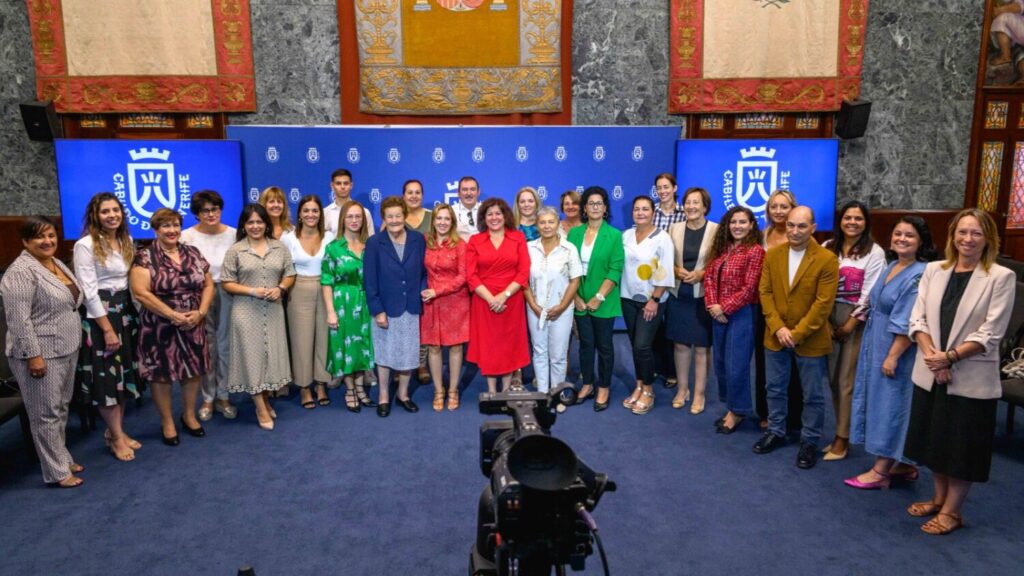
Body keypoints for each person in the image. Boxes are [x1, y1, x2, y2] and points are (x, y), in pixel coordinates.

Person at [902, 209, 1015, 535]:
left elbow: (991, 334)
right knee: (935, 441)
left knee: (962, 447)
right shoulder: (934, 270)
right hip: (930, 371)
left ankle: (952, 512)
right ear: (952, 236)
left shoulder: (1000, 277)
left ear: (988, 239)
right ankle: (938, 499)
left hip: (969, 376)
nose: (967, 239)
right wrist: (933, 358)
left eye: (976, 233)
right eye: (962, 232)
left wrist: (949, 358)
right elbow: (917, 319)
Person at [844, 216, 935, 490]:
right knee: (881, 401)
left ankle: (881, 469)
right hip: (876, 340)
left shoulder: (920, 273)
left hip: (898, 349)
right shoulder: (894, 265)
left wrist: (893, 355)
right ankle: (904, 462)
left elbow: (909, 320)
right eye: (898, 234)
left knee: (891, 405)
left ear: (921, 242)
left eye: (909, 235)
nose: (902, 239)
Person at [753, 206, 838, 469]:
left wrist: (797, 333)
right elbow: (764, 292)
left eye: (802, 226)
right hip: (775, 335)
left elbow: (823, 304)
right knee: (774, 388)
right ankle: (776, 431)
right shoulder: (774, 255)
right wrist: (778, 327)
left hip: (810, 339)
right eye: (791, 225)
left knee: (812, 395)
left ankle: (809, 440)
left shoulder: (826, 259)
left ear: (813, 228)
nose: (795, 231)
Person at [2, 216, 84, 487]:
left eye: (51, 234)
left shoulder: (55, 262)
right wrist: (32, 356)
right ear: (26, 241)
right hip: (39, 354)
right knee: (44, 414)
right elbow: (18, 320)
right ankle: (57, 472)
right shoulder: (20, 272)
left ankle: (61, 457)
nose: (47, 241)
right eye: (39, 236)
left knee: (59, 408)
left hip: (66, 345)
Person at [129, 209, 214, 446]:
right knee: (161, 375)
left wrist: (201, 312)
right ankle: (167, 421)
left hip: (193, 321)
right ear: (155, 229)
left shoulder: (193, 252)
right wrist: (173, 315)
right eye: (165, 226)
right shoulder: (144, 256)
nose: (171, 230)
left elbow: (208, 285)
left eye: (175, 225)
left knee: (193, 370)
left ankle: (188, 415)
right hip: (159, 325)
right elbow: (141, 293)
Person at [72, 193, 141, 462]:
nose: (112, 215)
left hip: (125, 311)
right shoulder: (85, 245)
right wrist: (107, 329)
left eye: (116, 210)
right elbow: (88, 292)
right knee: (107, 378)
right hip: (101, 315)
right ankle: (114, 436)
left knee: (122, 375)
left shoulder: (127, 241)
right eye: (105, 212)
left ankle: (117, 432)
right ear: (95, 216)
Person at [220, 204, 296, 430]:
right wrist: (251, 290)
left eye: (259, 222)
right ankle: (260, 408)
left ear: (266, 224)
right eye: (250, 222)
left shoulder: (279, 247)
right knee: (252, 359)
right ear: (244, 225)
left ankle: (263, 398)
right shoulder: (236, 250)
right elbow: (226, 283)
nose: (255, 226)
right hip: (245, 311)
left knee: (269, 356)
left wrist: (281, 288)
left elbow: (290, 273)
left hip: (273, 310)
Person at [822, 201, 886, 461]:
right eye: (847, 217)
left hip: (854, 320)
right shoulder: (827, 247)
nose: (852, 222)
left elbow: (870, 293)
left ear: (866, 222)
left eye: (858, 218)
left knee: (845, 381)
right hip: (826, 317)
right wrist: (826, 321)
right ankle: (839, 430)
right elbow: (818, 283)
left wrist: (850, 322)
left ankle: (842, 438)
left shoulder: (875, 253)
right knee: (831, 379)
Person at [703, 206, 765, 433]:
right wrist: (712, 305)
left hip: (742, 314)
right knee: (720, 363)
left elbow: (750, 289)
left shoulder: (756, 251)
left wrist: (724, 307)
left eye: (742, 222)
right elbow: (708, 277)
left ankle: (738, 411)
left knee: (736, 364)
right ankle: (731, 405)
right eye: (733, 222)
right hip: (717, 313)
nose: (737, 226)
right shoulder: (722, 248)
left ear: (751, 225)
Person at [364, 196, 427, 417]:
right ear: (384, 218)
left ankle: (403, 394)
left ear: (404, 216)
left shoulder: (418, 239)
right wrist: (377, 309)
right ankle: (383, 395)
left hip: (410, 305)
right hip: (386, 308)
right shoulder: (374, 243)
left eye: (398, 215)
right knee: (385, 354)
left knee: (409, 354)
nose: (394, 220)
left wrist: (423, 291)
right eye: (389, 216)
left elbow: (423, 271)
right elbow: (370, 280)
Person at [181, 190, 238, 422]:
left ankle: (224, 395)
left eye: (215, 209)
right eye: (205, 210)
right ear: (197, 214)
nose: (211, 214)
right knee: (207, 347)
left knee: (225, 345)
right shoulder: (186, 237)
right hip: (199, 295)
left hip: (227, 291)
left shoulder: (234, 234)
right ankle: (208, 397)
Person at [466, 197, 532, 393]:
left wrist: (504, 295)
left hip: (511, 300)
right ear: (483, 218)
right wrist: (491, 299)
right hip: (484, 301)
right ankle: (492, 391)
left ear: (505, 216)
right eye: (489, 214)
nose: (494, 217)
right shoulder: (475, 240)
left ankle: (505, 392)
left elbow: (523, 271)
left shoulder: (518, 237)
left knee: (508, 345)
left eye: (498, 213)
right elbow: (471, 275)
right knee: (489, 345)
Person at [568, 187, 623, 411]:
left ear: (605, 208)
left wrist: (599, 297)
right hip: (579, 300)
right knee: (586, 345)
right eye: (591, 203)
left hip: (604, 301)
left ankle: (604, 387)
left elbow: (615, 269)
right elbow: (568, 268)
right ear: (585, 208)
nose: (595, 207)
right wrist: (576, 298)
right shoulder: (574, 234)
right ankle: (588, 384)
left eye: (599, 203)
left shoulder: (614, 235)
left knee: (604, 346)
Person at [619, 196, 674, 415]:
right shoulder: (626, 235)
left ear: (653, 212)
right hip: (628, 297)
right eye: (637, 209)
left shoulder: (662, 238)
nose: (640, 212)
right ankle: (639, 385)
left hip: (652, 300)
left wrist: (655, 299)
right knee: (635, 344)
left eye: (645, 209)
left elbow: (666, 270)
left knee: (643, 346)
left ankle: (649, 391)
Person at [666, 187, 718, 413]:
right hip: (679, 294)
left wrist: (702, 274)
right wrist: (676, 270)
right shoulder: (674, 228)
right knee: (680, 344)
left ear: (705, 206)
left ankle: (699, 394)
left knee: (701, 348)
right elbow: (665, 258)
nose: (691, 206)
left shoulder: (716, 230)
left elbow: (720, 262)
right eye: (688, 202)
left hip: (703, 296)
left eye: (696, 202)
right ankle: (683, 389)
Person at [281, 195, 334, 409]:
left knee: (324, 339)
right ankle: (304, 387)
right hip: (298, 288)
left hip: (326, 289)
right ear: (299, 214)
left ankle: (321, 383)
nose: (311, 215)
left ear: (320, 214)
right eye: (306, 211)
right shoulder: (288, 238)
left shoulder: (329, 237)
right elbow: (283, 268)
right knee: (301, 341)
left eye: (315, 210)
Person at [323, 200, 376, 412]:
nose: (354, 221)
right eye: (350, 216)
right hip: (342, 302)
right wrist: (330, 312)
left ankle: (361, 387)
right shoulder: (334, 248)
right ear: (343, 219)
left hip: (365, 302)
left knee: (363, 346)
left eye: (358, 217)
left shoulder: (370, 246)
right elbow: (326, 281)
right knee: (344, 348)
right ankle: (350, 390)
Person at [756, 189, 802, 429]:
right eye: (774, 206)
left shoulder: (802, 237)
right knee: (765, 362)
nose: (778, 211)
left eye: (784, 206)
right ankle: (766, 412)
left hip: (792, 311)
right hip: (765, 307)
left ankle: (793, 416)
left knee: (793, 363)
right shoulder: (764, 234)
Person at [523, 206, 582, 394]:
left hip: (562, 310)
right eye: (542, 222)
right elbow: (522, 280)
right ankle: (542, 393)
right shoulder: (529, 248)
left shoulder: (569, 248)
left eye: (551, 222)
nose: (547, 226)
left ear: (558, 224)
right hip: (535, 308)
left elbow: (575, 280)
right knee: (539, 352)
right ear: (537, 225)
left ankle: (557, 394)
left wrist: (562, 306)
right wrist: (533, 305)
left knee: (558, 355)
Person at [420, 203, 470, 410]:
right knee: (433, 347)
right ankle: (439, 390)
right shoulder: (425, 242)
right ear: (433, 222)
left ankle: (453, 390)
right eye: (439, 218)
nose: (442, 222)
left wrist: (438, 291)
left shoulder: (460, 245)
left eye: (446, 219)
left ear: (452, 222)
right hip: (430, 302)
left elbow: (463, 277)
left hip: (455, 301)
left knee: (456, 347)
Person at [402, 179, 432, 383]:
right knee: (402, 323)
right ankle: (401, 365)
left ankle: (421, 365)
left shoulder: (432, 217)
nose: (414, 196)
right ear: (403, 195)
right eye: (410, 193)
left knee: (423, 323)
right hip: (402, 279)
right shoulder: (395, 217)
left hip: (427, 276)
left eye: (418, 192)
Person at [324, 169, 375, 237]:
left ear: (351, 185)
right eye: (338, 183)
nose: (342, 187)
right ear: (332, 186)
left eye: (346, 183)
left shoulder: (364, 212)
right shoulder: (325, 213)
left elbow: (370, 240)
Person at [453, 176, 482, 242]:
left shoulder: (486, 211)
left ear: (478, 192)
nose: (469, 193)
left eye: (472, 189)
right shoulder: (451, 212)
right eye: (465, 190)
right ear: (458, 193)